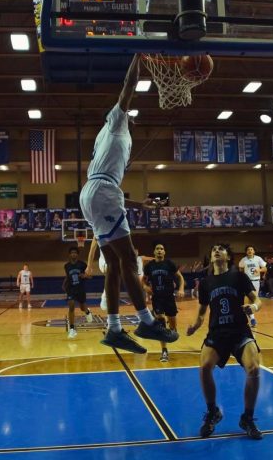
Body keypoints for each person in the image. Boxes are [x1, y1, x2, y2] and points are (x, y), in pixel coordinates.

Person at [79, 54, 178, 354]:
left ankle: (113, 328)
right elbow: (128, 85)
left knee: (113, 266)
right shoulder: (116, 121)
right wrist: (139, 55)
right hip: (102, 192)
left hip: (95, 193)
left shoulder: (107, 140)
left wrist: (139, 205)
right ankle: (146, 320)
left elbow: (108, 187)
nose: (130, 114)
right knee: (129, 258)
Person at [187, 244, 263, 440]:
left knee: (254, 369)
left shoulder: (238, 276)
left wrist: (253, 307)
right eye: (213, 249)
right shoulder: (205, 283)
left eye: (221, 249)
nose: (217, 250)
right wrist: (195, 326)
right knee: (204, 367)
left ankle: (247, 417)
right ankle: (213, 412)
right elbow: (203, 312)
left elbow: (258, 300)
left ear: (228, 256)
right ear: (211, 257)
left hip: (239, 331)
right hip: (217, 333)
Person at [143, 242, 185, 362]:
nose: (160, 250)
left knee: (172, 326)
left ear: (164, 252)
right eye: (157, 249)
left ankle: (173, 330)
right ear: (154, 252)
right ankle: (164, 351)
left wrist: (181, 289)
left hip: (169, 297)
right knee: (160, 322)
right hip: (157, 298)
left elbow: (180, 277)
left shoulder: (169, 264)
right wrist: (145, 287)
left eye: (162, 249)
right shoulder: (149, 266)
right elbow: (143, 280)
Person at [63, 246, 93, 338]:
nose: (73, 254)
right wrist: (64, 284)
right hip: (71, 289)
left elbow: (90, 276)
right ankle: (72, 329)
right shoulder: (66, 266)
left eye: (75, 253)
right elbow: (68, 277)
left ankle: (87, 311)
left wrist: (85, 276)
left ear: (77, 254)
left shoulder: (82, 265)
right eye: (72, 252)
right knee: (71, 305)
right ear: (69, 254)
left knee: (82, 307)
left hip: (80, 289)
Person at [238, 246, 266, 325]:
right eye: (248, 250)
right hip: (247, 282)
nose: (250, 251)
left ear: (254, 251)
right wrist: (242, 276)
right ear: (246, 252)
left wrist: (259, 270)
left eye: (251, 249)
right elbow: (240, 268)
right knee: (247, 300)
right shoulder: (243, 260)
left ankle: (250, 315)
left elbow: (265, 268)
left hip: (256, 281)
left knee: (254, 300)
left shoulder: (258, 259)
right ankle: (252, 319)